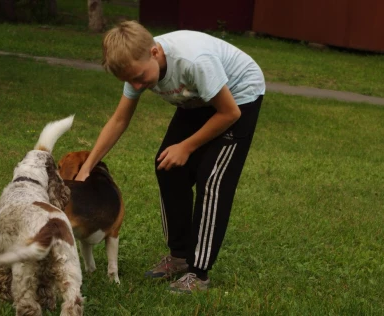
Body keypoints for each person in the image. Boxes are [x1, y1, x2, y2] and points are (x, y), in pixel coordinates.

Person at [74, 20, 265, 294]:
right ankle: (178, 257)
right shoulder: (136, 67)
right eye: (130, 80)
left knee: (212, 179)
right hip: (198, 97)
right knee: (166, 166)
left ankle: (198, 274)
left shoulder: (193, 60)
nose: (136, 85)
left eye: (140, 77)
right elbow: (119, 120)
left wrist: (186, 147)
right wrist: (87, 167)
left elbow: (229, 113)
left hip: (238, 97)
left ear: (154, 52)